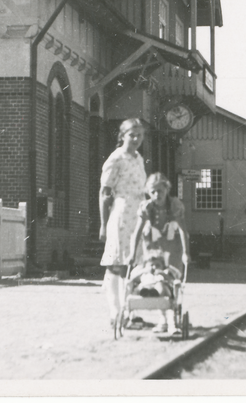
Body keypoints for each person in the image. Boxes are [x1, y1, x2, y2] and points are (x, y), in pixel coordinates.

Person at [99, 118, 147, 337]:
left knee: (136, 265)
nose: (136, 139)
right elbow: (104, 193)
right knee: (116, 264)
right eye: (131, 134)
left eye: (139, 134)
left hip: (139, 217)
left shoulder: (139, 159)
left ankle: (132, 311)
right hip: (120, 214)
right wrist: (102, 223)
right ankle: (115, 312)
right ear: (122, 135)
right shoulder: (116, 158)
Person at [126, 172, 188, 334]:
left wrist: (186, 253)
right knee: (153, 276)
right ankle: (162, 319)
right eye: (152, 191)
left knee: (170, 279)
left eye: (160, 191)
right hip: (153, 244)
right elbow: (137, 233)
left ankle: (171, 318)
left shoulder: (174, 205)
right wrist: (132, 254)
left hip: (171, 243)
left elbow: (183, 231)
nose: (156, 195)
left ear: (166, 190)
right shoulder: (147, 207)